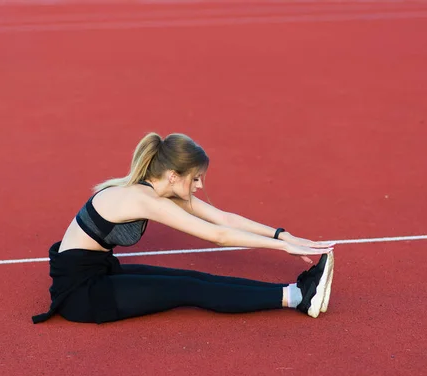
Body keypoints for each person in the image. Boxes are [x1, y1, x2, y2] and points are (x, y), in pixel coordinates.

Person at [32, 133, 335, 325]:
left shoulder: (158, 190)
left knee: (194, 277)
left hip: (100, 272)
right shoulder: (142, 199)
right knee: (189, 289)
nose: (200, 186)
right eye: (196, 178)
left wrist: (282, 235)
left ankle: (296, 292)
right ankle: (298, 298)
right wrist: (284, 248)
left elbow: (224, 218)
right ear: (174, 176)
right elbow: (218, 236)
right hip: (82, 294)